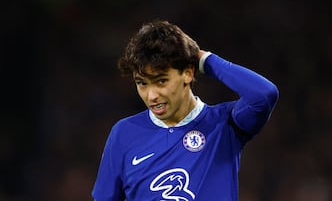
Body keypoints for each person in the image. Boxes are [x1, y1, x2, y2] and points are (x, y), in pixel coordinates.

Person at [92, 20, 279, 201]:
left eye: (161, 81)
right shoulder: (124, 133)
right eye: (142, 83)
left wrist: (205, 60)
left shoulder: (224, 123)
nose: (151, 96)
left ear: (188, 73)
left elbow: (264, 95)